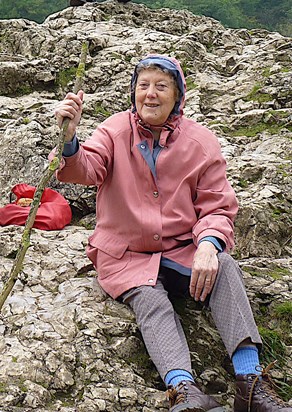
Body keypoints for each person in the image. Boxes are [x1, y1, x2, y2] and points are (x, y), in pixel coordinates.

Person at [54, 55, 291, 412]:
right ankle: (185, 391)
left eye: (161, 86)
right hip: (126, 254)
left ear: (178, 96)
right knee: (150, 300)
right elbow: (85, 170)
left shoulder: (200, 143)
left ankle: (251, 384)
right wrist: (70, 139)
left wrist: (209, 245)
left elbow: (217, 206)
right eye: (143, 85)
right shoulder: (115, 130)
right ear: (133, 92)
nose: (150, 94)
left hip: (182, 248)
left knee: (225, 267)